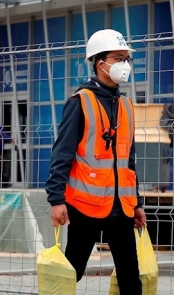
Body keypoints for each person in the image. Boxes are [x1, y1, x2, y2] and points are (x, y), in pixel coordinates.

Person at [46, 29, 146, 292]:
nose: (124, 64)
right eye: (118, 57)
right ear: (100, 62)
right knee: (72, 271)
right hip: (85, 205)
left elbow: (128, 161)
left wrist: (136, 203)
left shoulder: (126, 105)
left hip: (121, 208)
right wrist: (56, 200)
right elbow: (62, 153)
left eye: (127, 58)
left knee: (130, 277)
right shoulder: (80, 102)